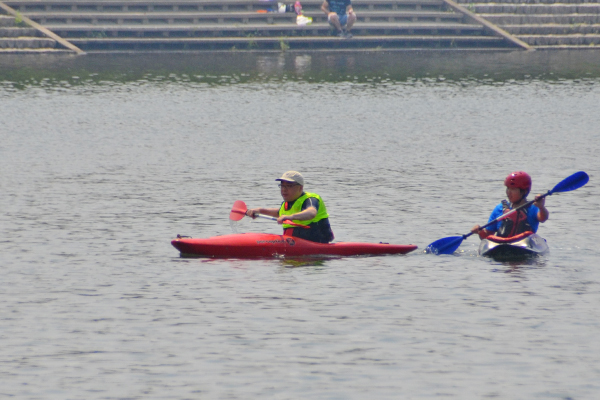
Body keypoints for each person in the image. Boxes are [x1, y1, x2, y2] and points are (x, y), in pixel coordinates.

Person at [246, 171, 334, 243]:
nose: (284, 189)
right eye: (282, 186)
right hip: (294, 244)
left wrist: (290, 217)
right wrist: (259, 210)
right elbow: (278, 213)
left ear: (300, 188)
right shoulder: (286, 204)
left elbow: (312, 212)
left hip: (318, 244)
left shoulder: (311, 199)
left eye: (289, 186)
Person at [471, 171, 550, 239]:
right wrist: (480, 231)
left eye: (513, 189)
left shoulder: (533, 207)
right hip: (502, 245)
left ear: (524, 191)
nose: (508, 192)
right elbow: (487, 235)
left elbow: (543, 218)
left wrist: (541, 207)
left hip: (524, 245)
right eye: (508, 188)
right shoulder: (499, 208)